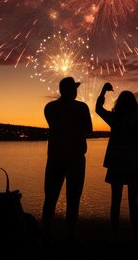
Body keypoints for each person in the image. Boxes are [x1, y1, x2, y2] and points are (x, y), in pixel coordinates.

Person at [96, 82, 138, 239]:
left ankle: (114, 234)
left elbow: (98, 109)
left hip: (116, 163)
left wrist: (103, 91)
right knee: (133, 201)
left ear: (119, 104)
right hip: (135, 163)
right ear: (134, 104)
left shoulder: (114, 119)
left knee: (115, 201)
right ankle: (135, 234)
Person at [42, 77, 93, 241]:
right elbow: (89, 129)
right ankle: (70, 237)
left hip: (55, 157)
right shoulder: (81, 107)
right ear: (71, 90)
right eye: (75, 88)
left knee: (50, 198)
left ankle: (46, 236)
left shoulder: (50, 107)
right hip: (76, 158)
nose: (77, 91)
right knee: (73, 200)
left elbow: (55, 126)